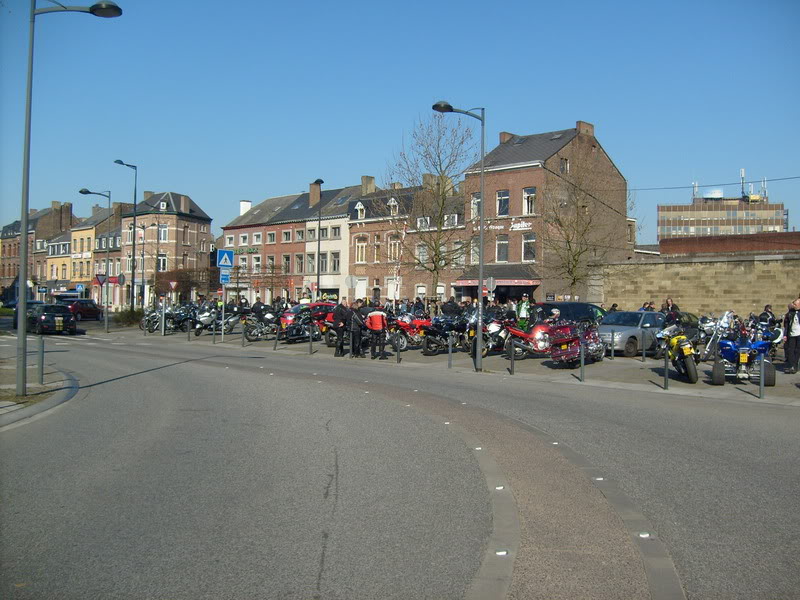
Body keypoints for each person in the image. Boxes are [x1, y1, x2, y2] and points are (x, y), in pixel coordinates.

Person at [783, 298, 800, 374]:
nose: (794, 306)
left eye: (795, 304)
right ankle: (792, 366)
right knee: (790, 350)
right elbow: (787, 325)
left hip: (799, 334)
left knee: (797, 351)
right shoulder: (790, 313)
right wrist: (785, 334)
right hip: (792, 334)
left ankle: (795, 366)